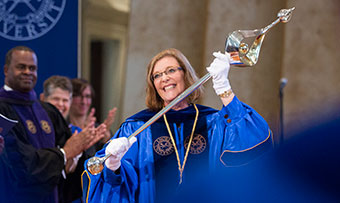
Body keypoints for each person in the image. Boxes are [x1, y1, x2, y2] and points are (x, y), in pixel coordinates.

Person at [82, 48, 273, 202]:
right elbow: (112, 179)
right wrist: (113, 163)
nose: (164, 78)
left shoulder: (212, 121)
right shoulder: (139, 127)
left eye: (171, 70)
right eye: (157, 75)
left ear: (186, 75)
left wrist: (224, 87)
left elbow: (252, 138)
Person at [0, 46, 105, 203]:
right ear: (7, 70)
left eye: (32, 68)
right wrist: (65, 154)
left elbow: (70, 160)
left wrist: (79, 152)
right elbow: (20, 164)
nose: (28, 72)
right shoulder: (2, 109)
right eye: (21, 67)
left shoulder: (47, 110)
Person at [40, 75, 107, 202]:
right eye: (55, 99)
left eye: (65, 100)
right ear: (43, 98)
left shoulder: (71, 134)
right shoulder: (38, 130)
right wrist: (66, 154)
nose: (60, 105)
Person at [69, 78, 117, 147]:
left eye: (87, 96)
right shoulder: (62, 128)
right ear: (70, 98)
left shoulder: (98, 129)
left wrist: (107, 138)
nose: (84, 102)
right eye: (79, 96)